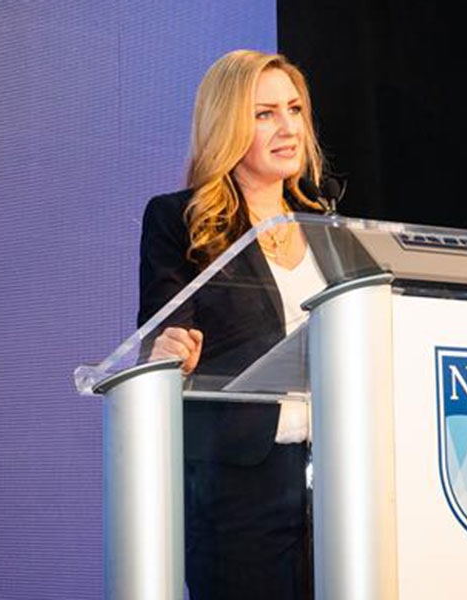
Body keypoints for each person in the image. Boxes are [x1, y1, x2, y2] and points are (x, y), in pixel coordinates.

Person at [137, 49, 329, 600]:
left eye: (294, 109)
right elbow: (164, 324)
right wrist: (170, 349)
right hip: (241, 484)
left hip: (341, 472)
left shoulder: (327, 228)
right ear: (227, 123)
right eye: (265, 113)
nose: (288, 127)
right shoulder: (180, 219)